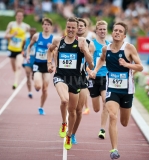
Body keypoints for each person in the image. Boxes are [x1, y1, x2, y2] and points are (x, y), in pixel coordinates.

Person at [90, 21, 143, 159]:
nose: (117, 33)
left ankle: (116, 142)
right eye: (115, 30)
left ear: (124, 36)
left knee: (124, 123)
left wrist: (127, 65)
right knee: (112, 116)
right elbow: (101, 60)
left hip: (127, 91)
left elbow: (140, 67)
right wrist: (95, 70)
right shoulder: (105, 49)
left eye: (120, 31)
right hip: (111, 88)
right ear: (112, 33)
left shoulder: (129, 48)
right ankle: (114, 150)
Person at [47, 17, 93, 150]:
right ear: (66, 27)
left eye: (73, 27)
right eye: (69, 27)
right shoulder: (58, 40)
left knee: (73, 111)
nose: (71, 30)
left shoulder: (82, 41)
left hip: (76, 79)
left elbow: (90, 63)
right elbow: (50, 51)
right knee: (64, 100)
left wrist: (84, 50)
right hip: (60, 76)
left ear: (77, 28)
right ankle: (63, 123)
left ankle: (69, 135)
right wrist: (49, 64)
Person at [71, 18, 95, 144]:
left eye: (82, 26)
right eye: (77, 25)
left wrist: (85, 50)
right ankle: (66, 124)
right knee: (70, 106)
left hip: (82, 78)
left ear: (85, 28)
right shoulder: (66, 41)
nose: (79, 27)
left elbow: (90, 64)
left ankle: (73, 134)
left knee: (79, 110)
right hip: (68, 78)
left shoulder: (90, 44)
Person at [87, 20, 110, 140]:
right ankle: (96, 108)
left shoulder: (110, 45)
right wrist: (90, 71)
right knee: (96, 109)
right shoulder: (92, 44)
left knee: (106, 102)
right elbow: (87, 61)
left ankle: (102, 129)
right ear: (96, 31)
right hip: (94, 78)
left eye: (104, 29)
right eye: (100, 29)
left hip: (106, 77)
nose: (102, 31)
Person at [26, 18, 53, 115]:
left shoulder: (53, 39)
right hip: (37, 64)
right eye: (45, 24)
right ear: (42, 26)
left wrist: (52, 49)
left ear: (51, 27)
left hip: (47, 65)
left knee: (45, 89)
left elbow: (56, 52)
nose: (46, 26)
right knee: (38, 86)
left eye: (48, 25)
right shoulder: (37, 36)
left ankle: (41, 107)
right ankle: (36, 86)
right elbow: (29, 46)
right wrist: (28, 55)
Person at [4, 9, 30, 90]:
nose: (19, 17)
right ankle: (17, 77)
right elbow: (5, 36)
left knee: (19, 66)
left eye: (21, 16)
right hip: (11, 49)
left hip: (20, 50)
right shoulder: (11, 24)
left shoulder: (26, 26)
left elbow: (31, 36)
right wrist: (12, 35)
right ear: (16, 16)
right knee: (14, 69)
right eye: (18, 15)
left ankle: (15, 83)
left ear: (22, 17)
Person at [22, 27, 37, 99]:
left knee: (34, 77)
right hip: (27, 60)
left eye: (33, 32)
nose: (32, 33)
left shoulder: (38, 41)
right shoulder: (26, 40)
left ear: (35, 32)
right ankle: (30, 92)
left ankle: (36, 85)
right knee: (28, 75)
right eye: (31, 31)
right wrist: (23, 52)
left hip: (35, 60)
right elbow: (22, 48)